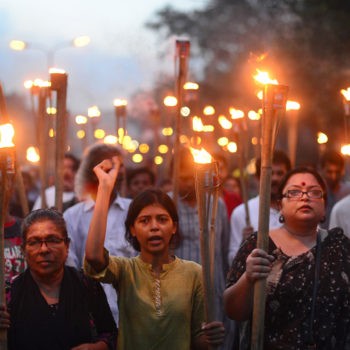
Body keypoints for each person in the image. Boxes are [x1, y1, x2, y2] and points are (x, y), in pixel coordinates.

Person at [83, 156, 225, 350]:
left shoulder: (194, 273)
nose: (154, 227)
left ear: (173, 227)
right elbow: (93, 256)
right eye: (144, 221)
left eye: (162, 219)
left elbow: (197, 339)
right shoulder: (126, 270)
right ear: (132, 229)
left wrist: (210, 338)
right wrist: (105, 188)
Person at [224, 167, 350, 349]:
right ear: (280, 206)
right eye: (294, 192)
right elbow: (233, 311)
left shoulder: (339, 246)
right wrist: (248, 278)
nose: (305, 197)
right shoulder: (259, 244)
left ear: (324, 208)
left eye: (314, 192)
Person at [0, 208, 117, 350]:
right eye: (34, 242)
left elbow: (111, 334)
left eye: (52, 240)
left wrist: (97, 347)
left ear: (67, 246)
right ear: (23, 249)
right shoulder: (8, 294)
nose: (44, 249)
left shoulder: (87, 284)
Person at [64, 142, 136, 325]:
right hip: (90, 314)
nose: (117, 171)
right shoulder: (73, 216)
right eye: (110, 165)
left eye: (121, 165)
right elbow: (71, 266)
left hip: (132, 310)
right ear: (93, 170)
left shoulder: (135, 211)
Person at [171, 147, 234, 350]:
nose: (188, 183)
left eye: (191, 177)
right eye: (182, 178)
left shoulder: (216, 203)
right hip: (180, 288)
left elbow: (224, 248)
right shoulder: (168, 204)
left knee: (216, 338)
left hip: (213, 284)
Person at [228, 150, 291, 262]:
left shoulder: (296, 210)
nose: (275, 178)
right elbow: (231, 260)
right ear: (258, 178)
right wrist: (245, 244)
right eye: (270, 173)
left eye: (280, 173)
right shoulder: (241, 213)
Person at [319, 149, 350, 228]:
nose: (333, 176)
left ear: (342, 171)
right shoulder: (316, 193)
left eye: (337, 172)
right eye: (329, 172)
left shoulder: (348, 191)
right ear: (322, 170)